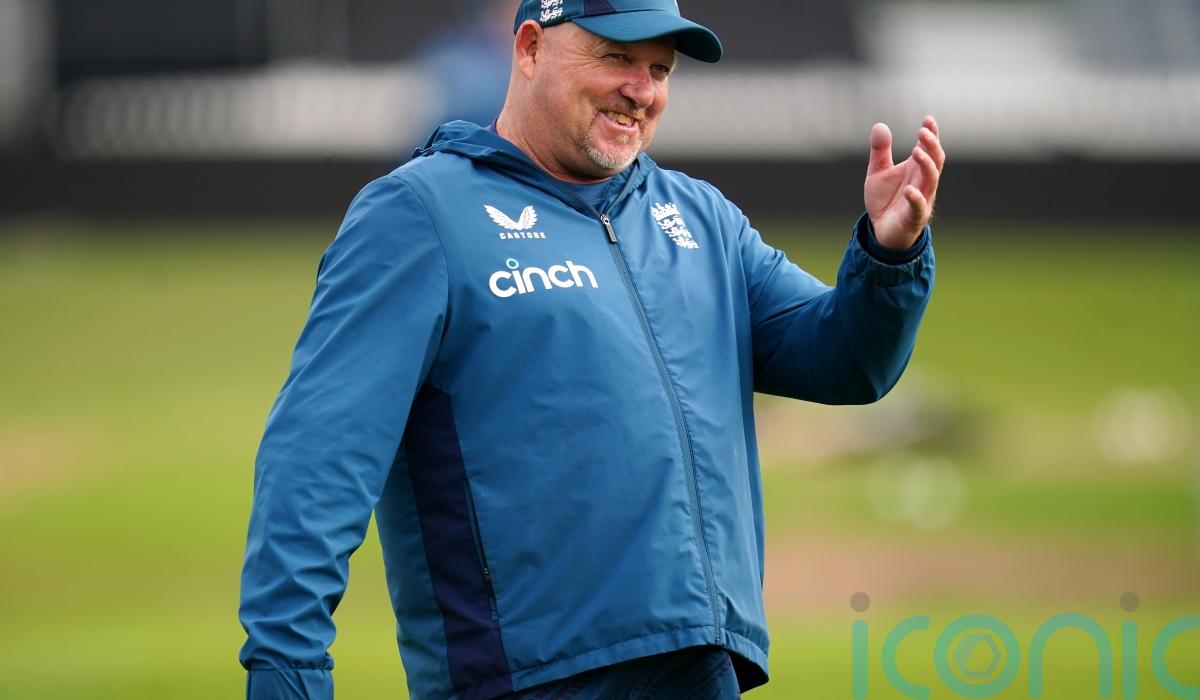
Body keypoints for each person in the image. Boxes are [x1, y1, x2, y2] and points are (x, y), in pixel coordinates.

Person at [238, 0, 944, 698]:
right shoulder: (419, 214)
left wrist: (889, 257)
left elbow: (847, 361)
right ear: (529, 48)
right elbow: (319, 457)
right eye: (616, 57)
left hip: (700, 666)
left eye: (660, 69)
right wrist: (287, 670)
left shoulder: (700, 218)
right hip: (531, 678)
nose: (641, 89)